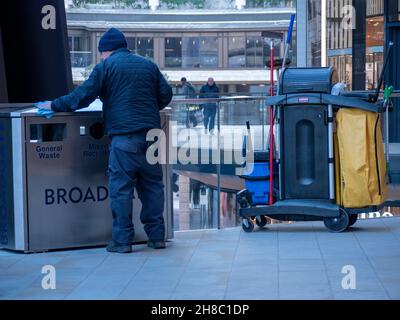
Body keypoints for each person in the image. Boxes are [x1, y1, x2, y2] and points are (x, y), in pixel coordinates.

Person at [39, 28, 173, 254]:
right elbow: (166, 94)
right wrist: (149, 109)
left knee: (121, 190)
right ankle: (157, 237)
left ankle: (122, 241)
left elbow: (82, 96)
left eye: (101, 53)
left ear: (105, 51)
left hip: (124, 138)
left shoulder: (106, 67)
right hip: (152, 137)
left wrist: (53, 105)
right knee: (152, 187)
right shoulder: (148, 65)